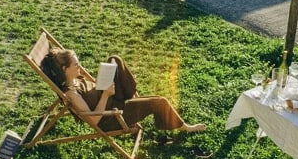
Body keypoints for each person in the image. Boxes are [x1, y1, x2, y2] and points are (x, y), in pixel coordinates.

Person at [42, 49, 205, 133]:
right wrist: (105, 95)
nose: (80, 66)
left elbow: (93, 90)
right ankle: (184, 127)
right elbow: (94, 121)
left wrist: (103, 82)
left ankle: (133, 98)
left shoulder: (76, 79)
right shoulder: (71, 94)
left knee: (115, 59)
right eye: (76, 65)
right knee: (160, 102)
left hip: (113, 99)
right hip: (112, 116)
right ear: (65, 69)